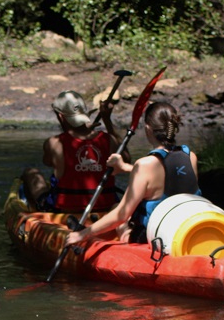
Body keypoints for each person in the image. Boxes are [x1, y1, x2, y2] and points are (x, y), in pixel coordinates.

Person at [65, 101, 200, 247]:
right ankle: (95, 233)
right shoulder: (190, 157)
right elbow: (169, 175)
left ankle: (89, 236)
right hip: (183, 229)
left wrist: (82, 235)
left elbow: (121, 215)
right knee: (116, 205)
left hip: (153, 237)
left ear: (148, 128)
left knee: (120, 214)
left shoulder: (144, 165)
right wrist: (125, 167)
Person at [22, 89, 129, 213]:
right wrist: (107, 120)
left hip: (65, 210)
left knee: (30, 172)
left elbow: (48, 162)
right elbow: (126, 158)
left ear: (60, 116)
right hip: (105, 207)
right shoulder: (108, 139)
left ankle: (35, 214)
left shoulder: (54, 143)